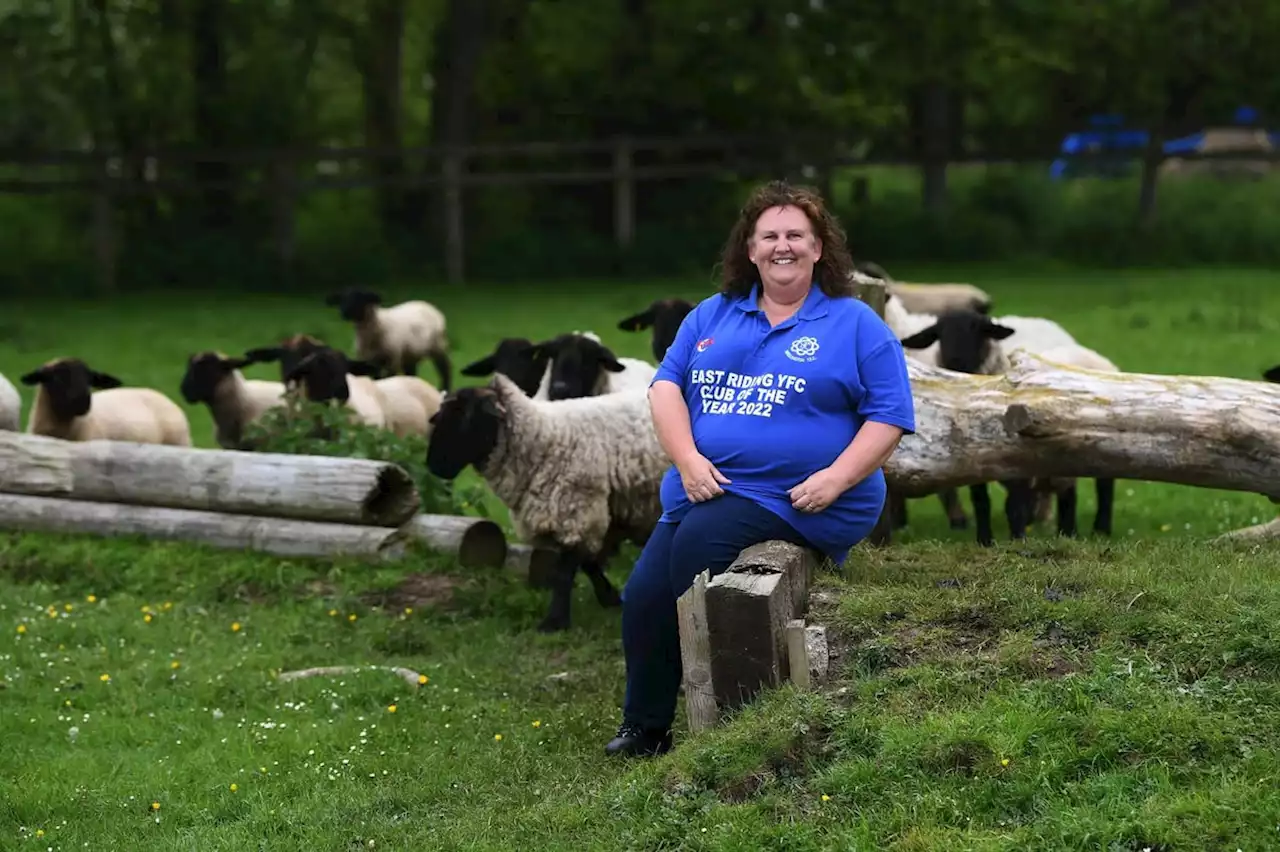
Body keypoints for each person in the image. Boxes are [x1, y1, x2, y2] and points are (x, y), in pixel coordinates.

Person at [604, 180, 917, 758]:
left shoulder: (855, 325)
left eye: (796, 235)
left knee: (696, 547)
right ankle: (644, 728)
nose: (783, 246)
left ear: (819, 248)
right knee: (643, 594)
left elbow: (889, 416)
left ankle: (735, 723)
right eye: (768, 235)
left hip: (804, 497)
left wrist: (836, 478)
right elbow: (665, 388)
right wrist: (690, 460)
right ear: (749, 250)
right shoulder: (712, 315)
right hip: (706, 487)